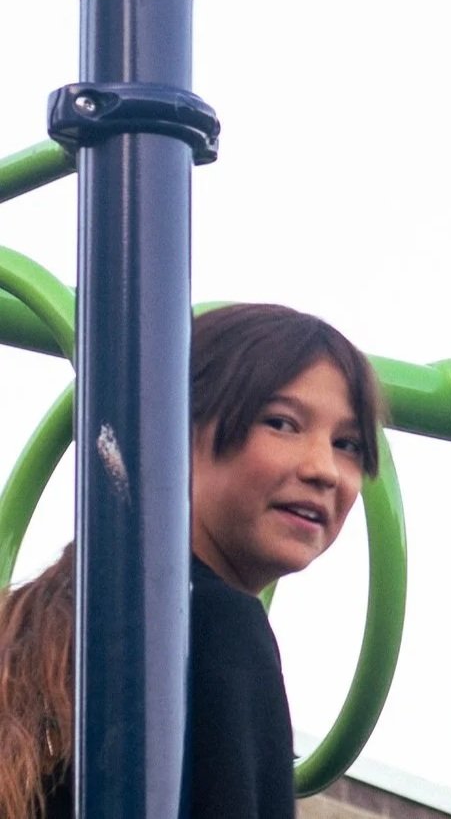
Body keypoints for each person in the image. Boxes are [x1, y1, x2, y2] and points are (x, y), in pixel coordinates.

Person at [0, 303, 382, 819]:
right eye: (281, 423)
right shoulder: (214, 626)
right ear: (177, 430)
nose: (324, 469)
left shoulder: (49, 621)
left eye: (348, 444)